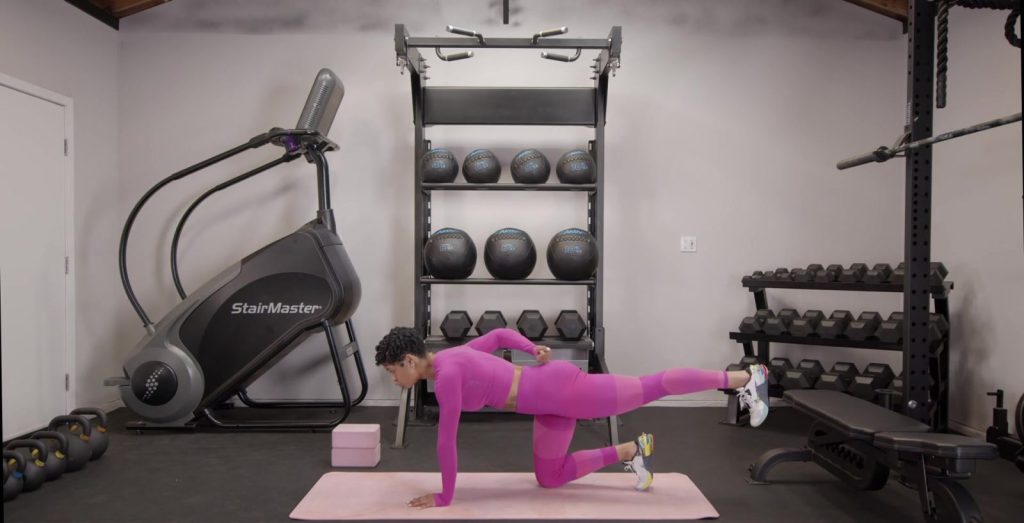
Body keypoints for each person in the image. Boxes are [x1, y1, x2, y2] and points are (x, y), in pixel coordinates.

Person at [376, 326, 769, 509]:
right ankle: (632, 451)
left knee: (650, 387)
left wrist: (445, 497)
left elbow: (446, 441)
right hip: (547, 407)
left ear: (409, 360)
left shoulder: (447, 376)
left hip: (563, 390)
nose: (395, 380)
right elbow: (496, 337)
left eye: (393, 372)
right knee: (550, 477)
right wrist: (531, 348)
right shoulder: (448, 359)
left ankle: (744, 378)